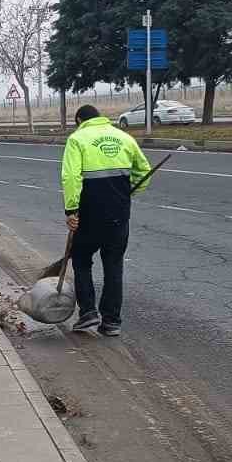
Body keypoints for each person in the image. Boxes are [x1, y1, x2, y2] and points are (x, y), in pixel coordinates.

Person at [61, 104, 153, 337]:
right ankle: (111, 321)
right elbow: (144, 171)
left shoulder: (77, 139)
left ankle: (88, 313)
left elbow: (71, 176)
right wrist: (127, 194)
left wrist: (71, 210)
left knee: (81, 260)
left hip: (89, 214)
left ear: (80, 120)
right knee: (113, 265)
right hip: (119, 214)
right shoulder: (124, 137)